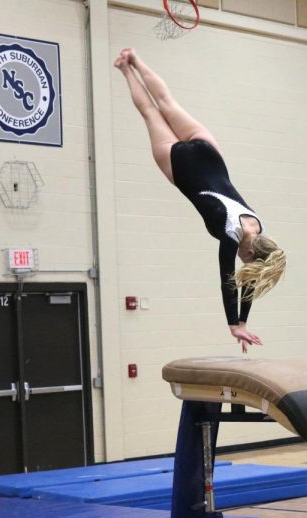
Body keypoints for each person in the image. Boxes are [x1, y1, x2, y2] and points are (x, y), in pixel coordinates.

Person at [115, 48, 286, 353]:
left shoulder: (256, 225)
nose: (241, 261)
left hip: (210, 153)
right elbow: (228, 282)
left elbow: (247, 277)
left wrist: (243, 321)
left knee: (166, 103)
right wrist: (235, 325)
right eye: (245, 258)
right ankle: (125, 70)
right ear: (248, 250)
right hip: (178, 164)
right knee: (150, 113)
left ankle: (135, 59)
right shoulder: (229, 233)